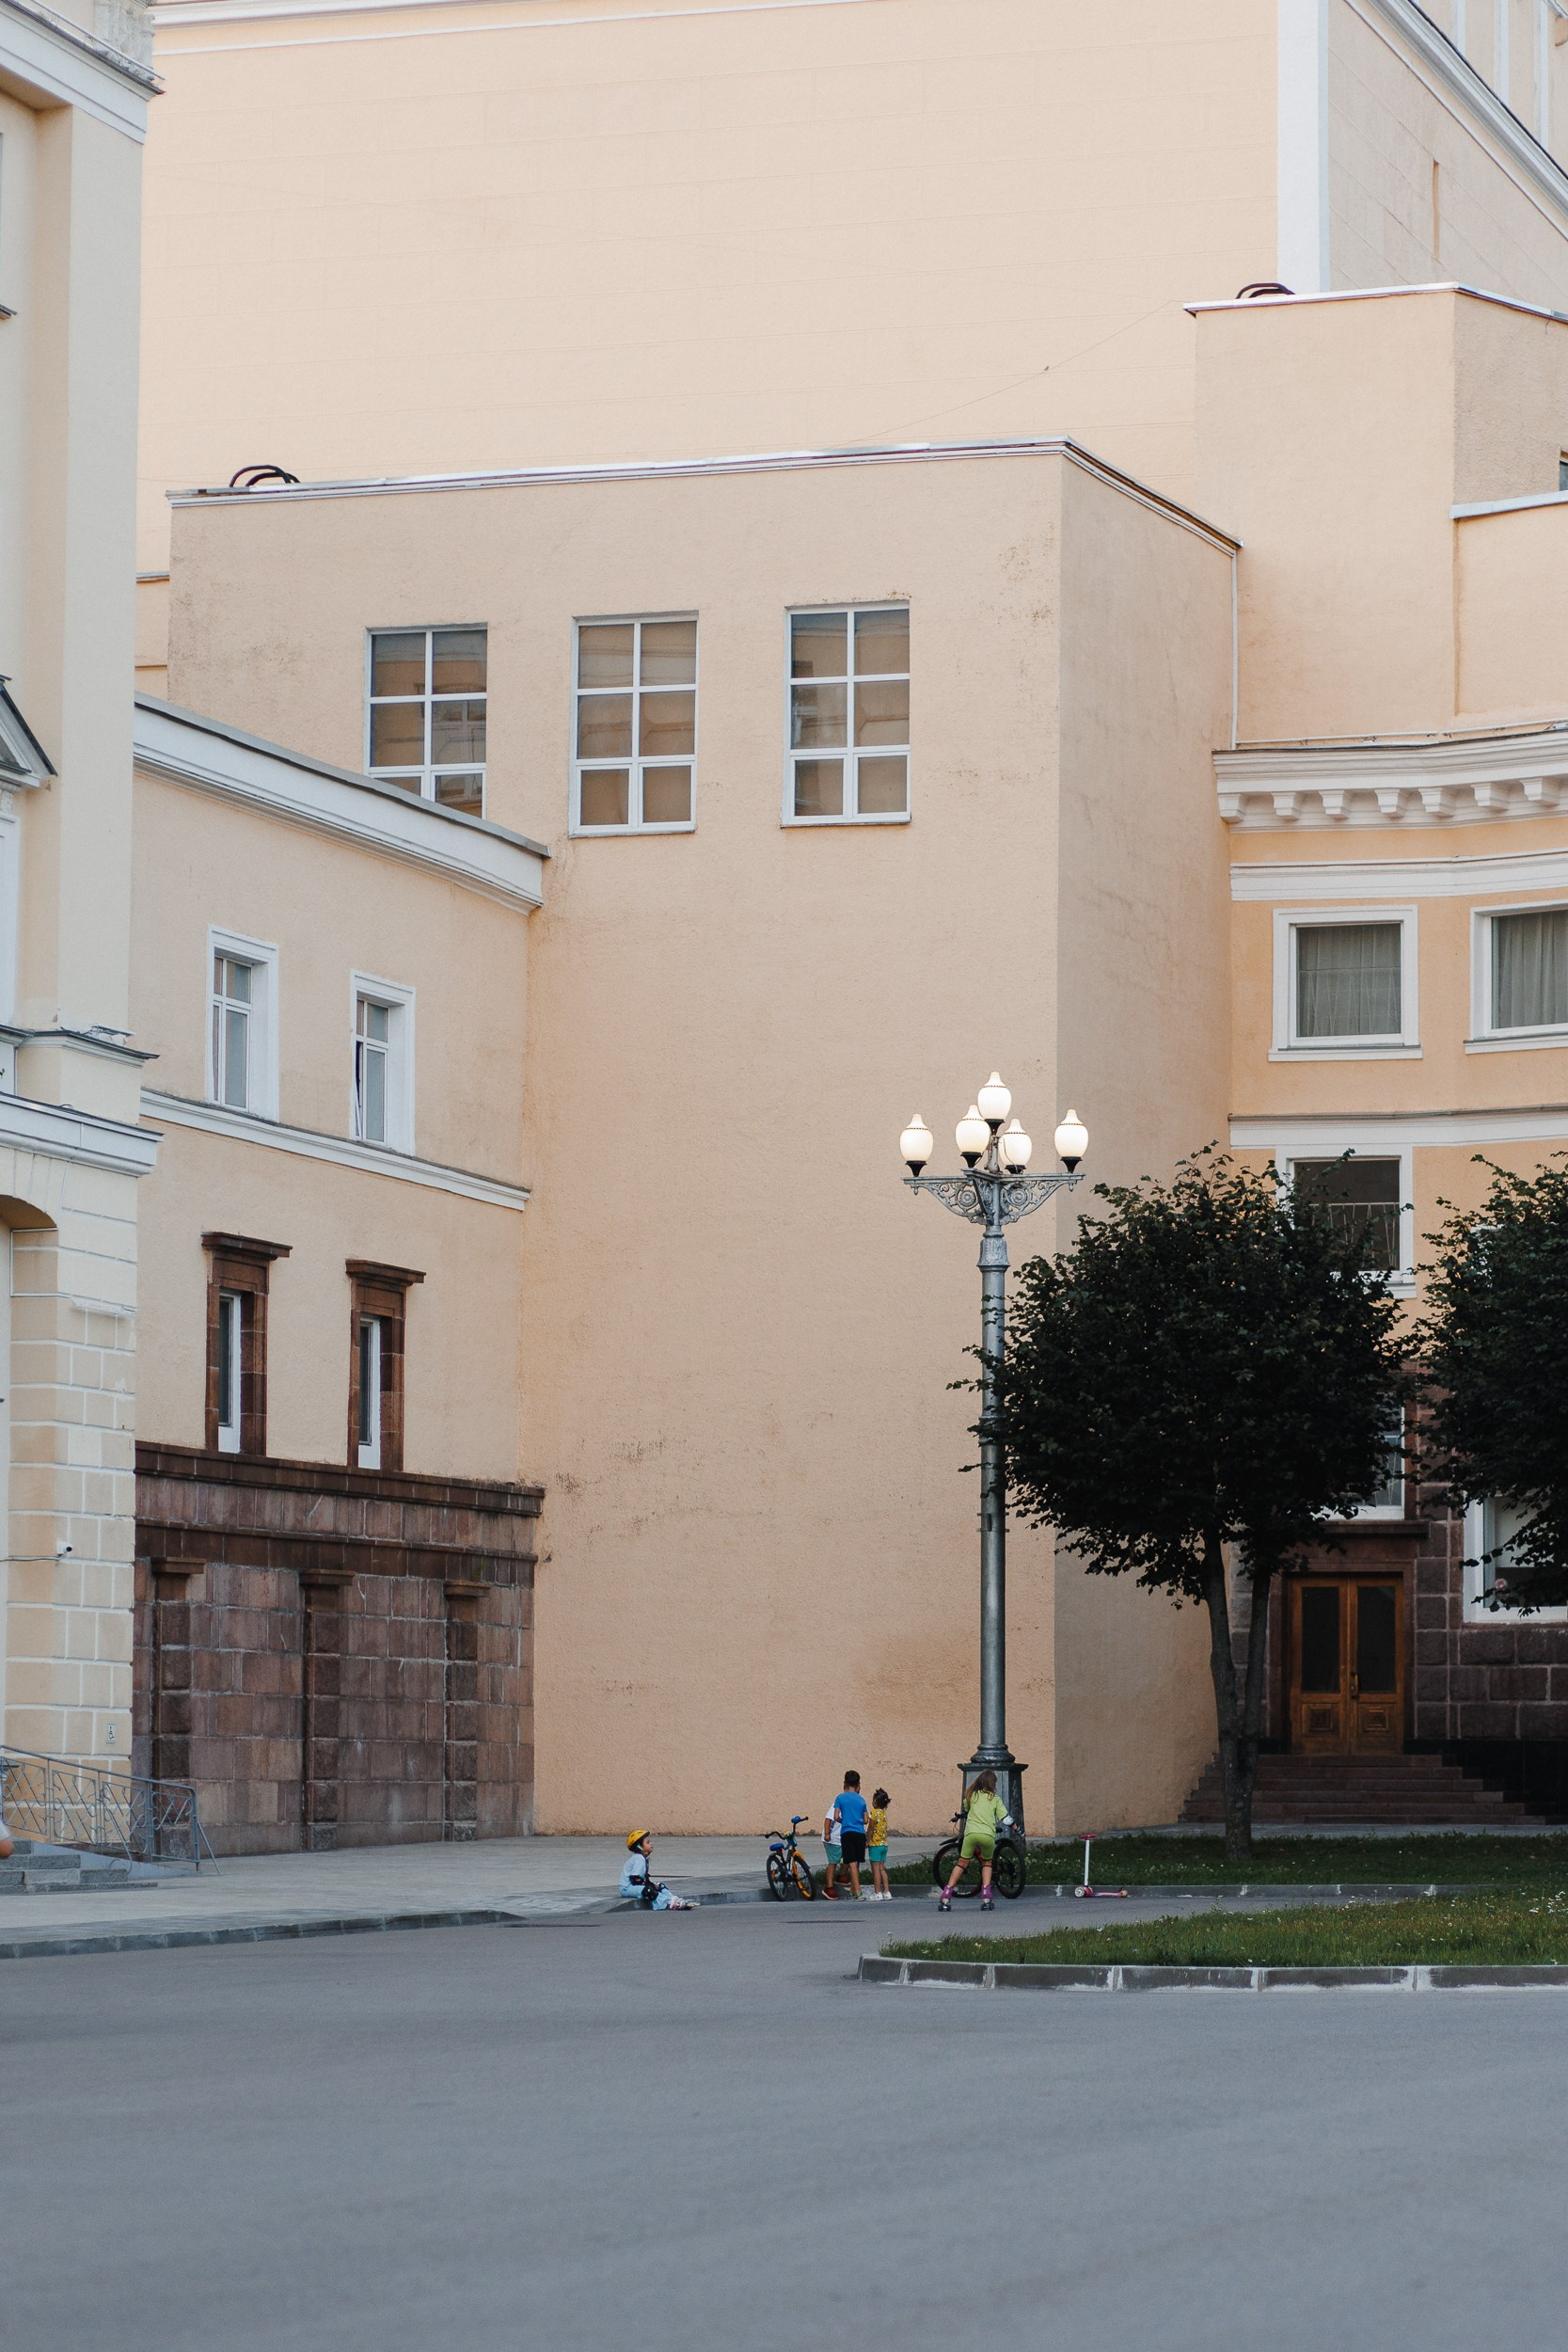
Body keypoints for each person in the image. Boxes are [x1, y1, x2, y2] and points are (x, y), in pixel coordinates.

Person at [938, 1770, 1012, 1913]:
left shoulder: (971, 1795)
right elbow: (1005, 1818)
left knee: (962, 1863)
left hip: (971, 1834)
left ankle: (946, 1896)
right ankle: (986, 1898)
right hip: (987, 1836)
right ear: (992, 1784)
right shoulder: (994, 1798)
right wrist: (1016, 1828)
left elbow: (967, 1808)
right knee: (987, 1862)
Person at [620, 1831, 694, 1911]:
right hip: (627, 1888)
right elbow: (635, 1879)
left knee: (659, 1885)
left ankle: (672, 1899)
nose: (651, 1843)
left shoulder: (643, 1858)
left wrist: (652, 1884)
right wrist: (650, 1886)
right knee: (648, 1890)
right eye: (648, 1842)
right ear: (639, 1847)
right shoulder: (639, 1859)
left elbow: (644, 1878)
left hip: (634, 1885)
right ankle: (667, 1903)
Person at [826, 1770, 869, 1901]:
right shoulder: (861, 1800)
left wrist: (845, 1820)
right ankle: (853, 1890)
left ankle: (858, 1892)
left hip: (847, 1832)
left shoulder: (840, 1798)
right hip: (860, 1833)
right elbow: (866, 1820)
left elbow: (836, 1816)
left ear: (845, 1783)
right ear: (858, 1784)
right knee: (856, 1863)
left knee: (851, 1862)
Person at [865, 1787, 891, 1901]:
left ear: (875, 1802)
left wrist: (867, 1840)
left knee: (875, 1869)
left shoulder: (874, 1813)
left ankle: (877, 1892)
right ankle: (886, 1891)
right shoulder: (883, 1814)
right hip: (884, 1845)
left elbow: (871, 1827)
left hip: (875, 1845)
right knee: (882, 1869)